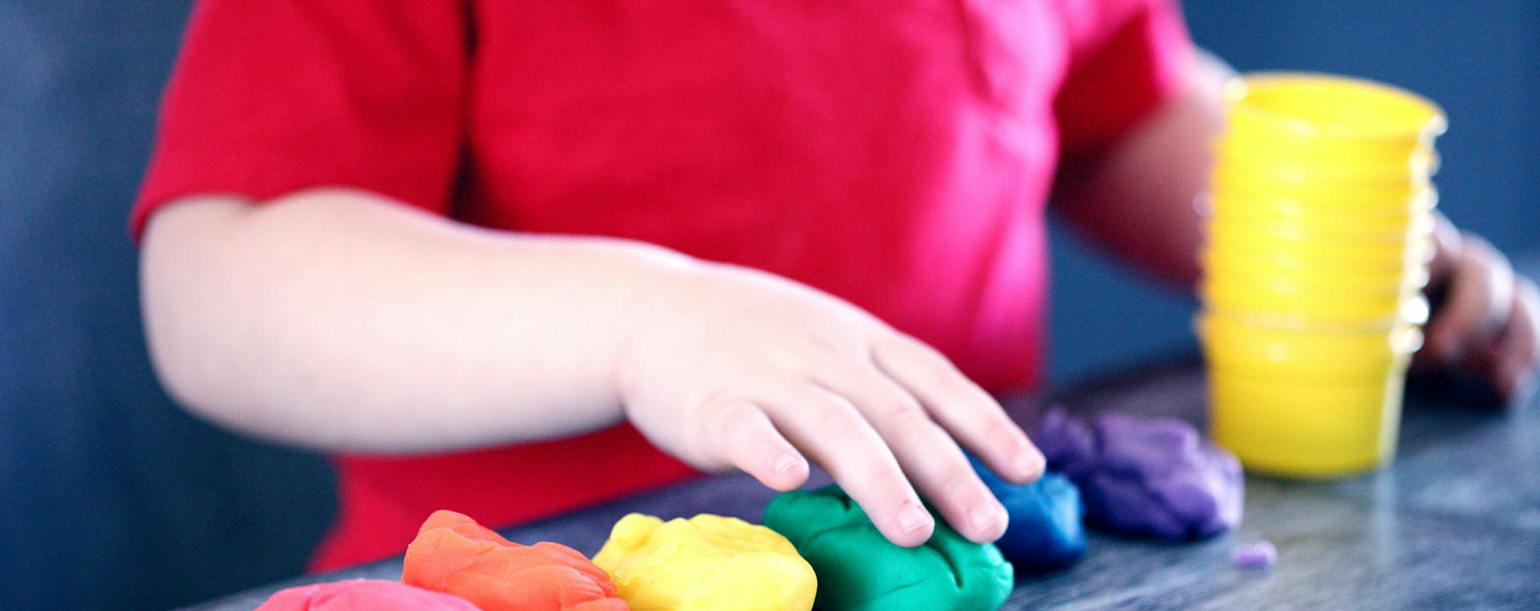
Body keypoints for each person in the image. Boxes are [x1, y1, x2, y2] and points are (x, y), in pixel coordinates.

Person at [133, 0, 1539, 570]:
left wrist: (1346, 258)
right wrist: (646, 321)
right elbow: (222, 280)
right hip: (529, 586)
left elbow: (1117, 109)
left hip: (960, 564)